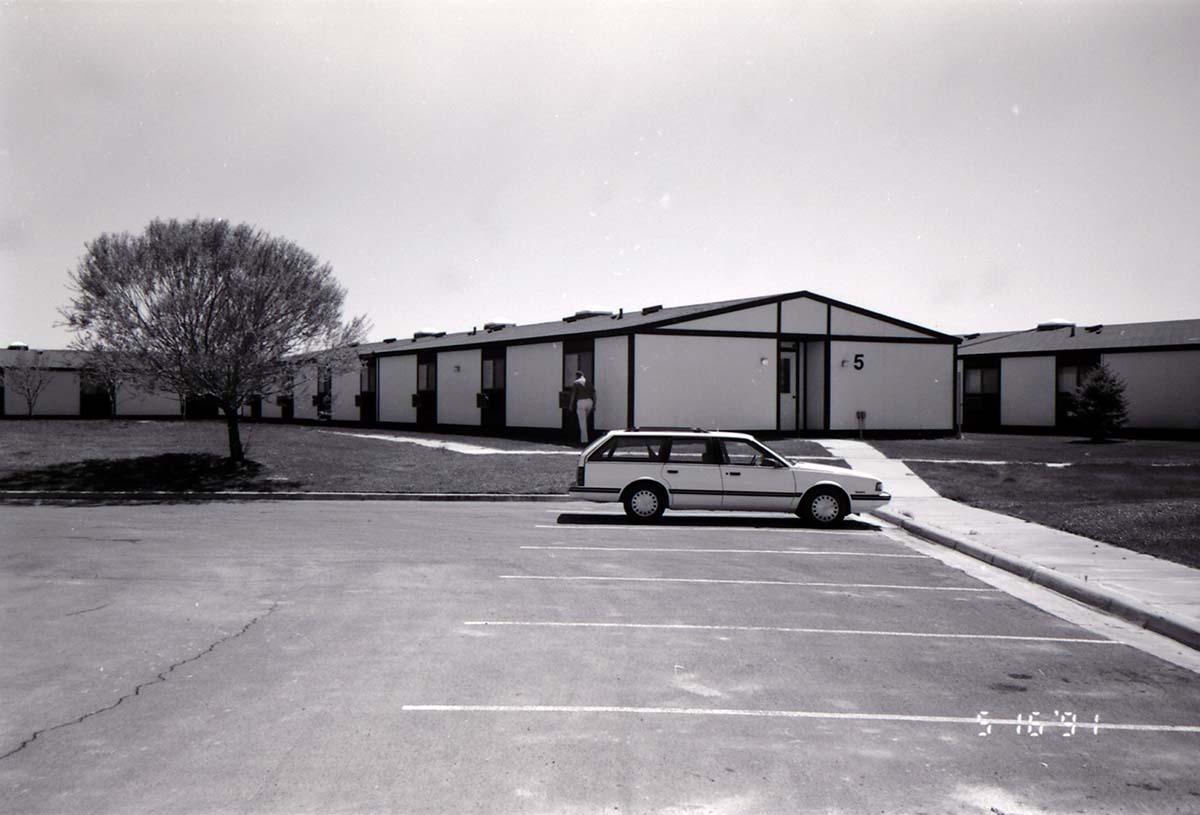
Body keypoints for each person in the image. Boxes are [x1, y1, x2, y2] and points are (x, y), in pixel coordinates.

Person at [569, 370, 595, 444]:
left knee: (582, 422)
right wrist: (594, 404)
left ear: (577, 376)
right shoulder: (589, 382)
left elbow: (573, 395)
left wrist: (571, 405)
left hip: (581, 402)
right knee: (584, 420)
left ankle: (584, 440)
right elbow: (594, 394)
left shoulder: (576, 382)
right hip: (589, 402)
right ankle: (586, 436)